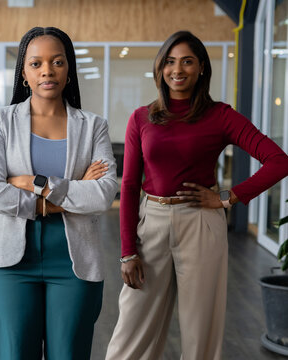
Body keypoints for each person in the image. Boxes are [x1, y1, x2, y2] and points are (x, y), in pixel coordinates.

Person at [106, 30, 288, 360]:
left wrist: (229, 196)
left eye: (188, 61)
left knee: (200, 329)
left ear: (201, 67)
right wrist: (127, 252)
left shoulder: (221, 116)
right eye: (170, 62)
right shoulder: (141, 117)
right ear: (160, 69)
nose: (178, 69)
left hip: (202, 224)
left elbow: (279, 160)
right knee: (131, 327)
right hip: (152, 224)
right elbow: (130, 185)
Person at [0, 26, 118, 360]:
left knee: (69, 354)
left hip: (74, 262)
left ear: (69, 69)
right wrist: (67, 195)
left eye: (56, 62)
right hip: (9, 263)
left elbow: (103, 194)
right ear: (23, 72)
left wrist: (33, 182)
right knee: (13, 354)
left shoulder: (93, 125)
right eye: (36, 63)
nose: (47, 71)